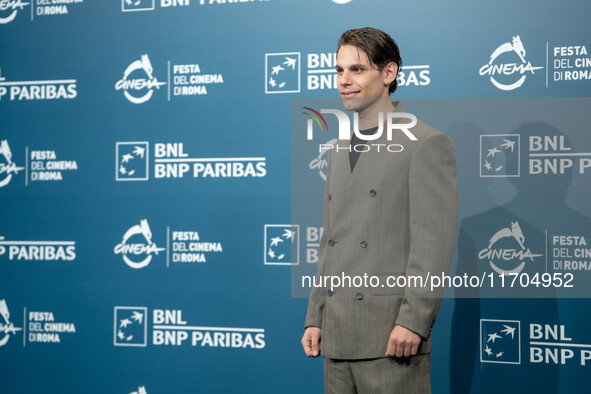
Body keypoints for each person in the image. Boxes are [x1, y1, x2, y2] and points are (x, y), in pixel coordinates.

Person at [301, 27, 459, 393]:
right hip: (336, 341)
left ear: (389, 73)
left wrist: (414, 322)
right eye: (338, 71)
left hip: (391, 339)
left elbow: (431, 247)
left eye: (357, 70)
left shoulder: (425, 143)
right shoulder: (337, 150)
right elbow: (332, 243)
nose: (344, 81)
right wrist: (316, 316)